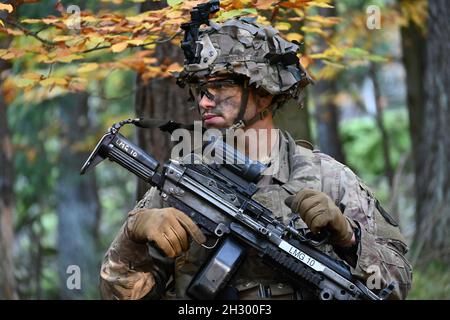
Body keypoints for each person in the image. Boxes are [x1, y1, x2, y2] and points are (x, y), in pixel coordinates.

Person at [99, 17, 412, 300]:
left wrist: (349, 237)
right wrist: (133, 236)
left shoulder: (329, 178)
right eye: (200, 88)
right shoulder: (182, 181)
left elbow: (397, 286)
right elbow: (120, 296)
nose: (204, 101)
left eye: (219, 85)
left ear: (263, 90)